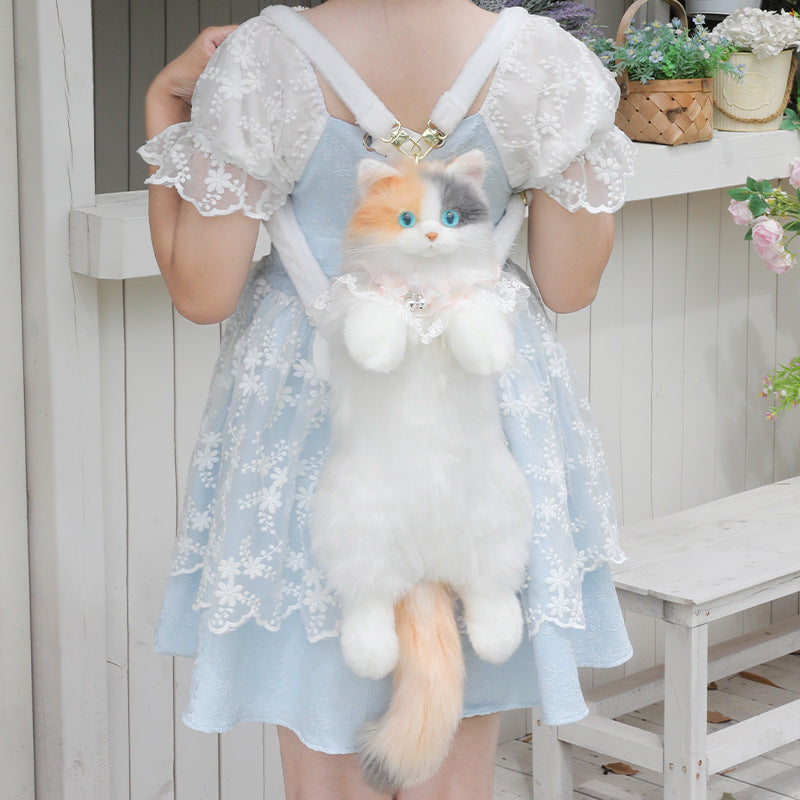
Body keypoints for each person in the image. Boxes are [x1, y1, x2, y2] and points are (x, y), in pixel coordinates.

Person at [141, 1, 635, 797]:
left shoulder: (264, 61)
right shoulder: (544, 63)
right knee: (454, 751)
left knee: (328, 755)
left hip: (321, 410)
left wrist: (166, 107)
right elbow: (571, 284)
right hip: (473, 413)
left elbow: (202, 292)